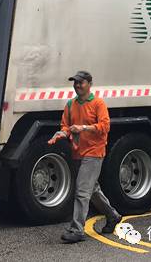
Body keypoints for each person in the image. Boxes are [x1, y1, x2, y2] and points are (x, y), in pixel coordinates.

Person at [48, 70, 122, 243]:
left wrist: (84, 128)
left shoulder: (98, 103)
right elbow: (66, 126)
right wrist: (60, 134)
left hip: (94, 152)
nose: (77, 86)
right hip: (78, 152)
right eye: (75, 83)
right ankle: (113, 215)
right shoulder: (70, 105)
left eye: (80, 82)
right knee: (92, 189)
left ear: (89, 84)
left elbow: (105, 127)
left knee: (82, 191)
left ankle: (77, 229)